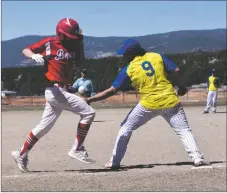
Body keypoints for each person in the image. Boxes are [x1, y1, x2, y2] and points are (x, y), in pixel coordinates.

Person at [86, 39, 210, 168]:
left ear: (132, 53)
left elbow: (111, 91)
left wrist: (90, 100)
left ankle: (114, 162)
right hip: (170, 100)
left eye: (125, 53)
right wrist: (181, 86)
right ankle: (197, 158)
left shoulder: (129, 69)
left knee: (126, 127)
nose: (123, 56)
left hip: (148, 104)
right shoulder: (157, 56)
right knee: (184, 130)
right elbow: (177, 70)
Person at [11, 18, 96, 172]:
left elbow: (82, 63)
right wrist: (32, 56)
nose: (72, 40)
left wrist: (80, 44)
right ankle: (77, 149)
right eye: (69, 37)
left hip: (61, 91)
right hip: (55, 90)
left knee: (43, 127)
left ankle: (21, 154)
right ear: (60, 34)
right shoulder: (50, 42)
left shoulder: (74, 46)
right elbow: (26, 49)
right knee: (89, 113)